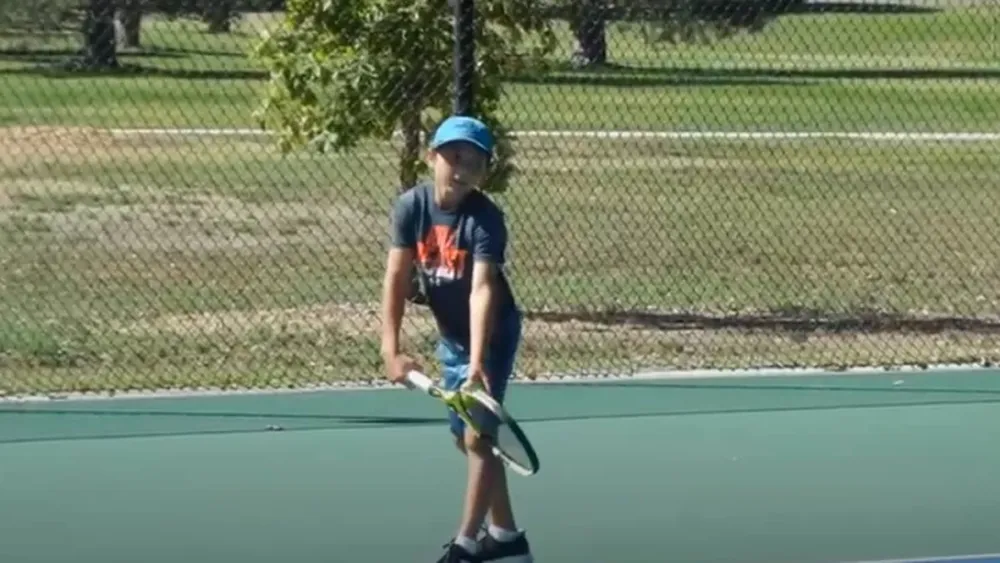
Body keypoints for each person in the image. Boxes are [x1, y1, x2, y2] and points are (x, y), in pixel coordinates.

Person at [380, 115, 533, 563]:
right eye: (452, 155)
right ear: (432, 157)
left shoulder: (486, 218)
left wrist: (478, 360)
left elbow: (482, 289)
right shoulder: (411, 207)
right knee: (464, 437)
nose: (461, 166)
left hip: (494, 336)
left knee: (476, 439)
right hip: (451, 337)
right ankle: (505, 536)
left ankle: (466, 546)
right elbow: (395, 275)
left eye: (474, 159)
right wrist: (390, 348)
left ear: (485, 170)